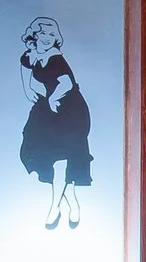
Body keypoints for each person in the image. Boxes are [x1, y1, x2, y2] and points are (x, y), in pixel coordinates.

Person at [17, 17, 91, 230]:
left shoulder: (56, 58)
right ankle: (73, 203)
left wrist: (51, 98)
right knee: (49, 158)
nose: (48, 38)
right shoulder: (31, 54)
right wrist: (27, 89)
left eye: (52, 35)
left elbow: (67, 83)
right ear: (35, 35)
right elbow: (24, 67)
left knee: (60, 160)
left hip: (70, 111)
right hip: (50, 112)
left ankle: (54, 207)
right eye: (43, 34)